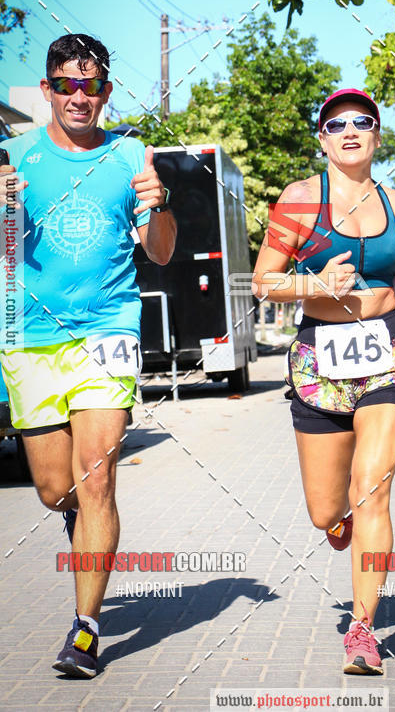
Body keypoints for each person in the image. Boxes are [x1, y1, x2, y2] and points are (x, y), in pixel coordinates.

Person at [0, 34, 177, 678]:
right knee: (55, 490)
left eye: (93, 84)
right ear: (47, 90)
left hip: (108, 328)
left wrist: (159, 205)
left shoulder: (131, 156)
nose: (81, 96)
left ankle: (86, 628)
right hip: (31, 336)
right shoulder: (12, 157)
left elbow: (159, 251)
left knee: (97, 477)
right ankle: (76, 519)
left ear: (107, 91)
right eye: (68, 85)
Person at [252, 88, 395, 674]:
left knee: (371, 488)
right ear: (322, 137)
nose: (350, 130)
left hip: (388, 355)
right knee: (327, 511)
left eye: (362, 121)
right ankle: (339, 523)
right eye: (336, 123)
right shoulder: (301, 201)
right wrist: (317, 283)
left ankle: (362, 631)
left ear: (378, 134)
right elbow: (264, 283)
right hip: (320, 361)